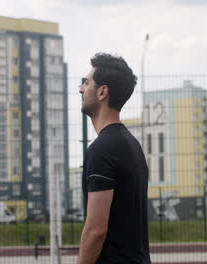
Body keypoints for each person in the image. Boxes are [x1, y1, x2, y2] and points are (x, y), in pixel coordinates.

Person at [78, 53, 151, 264]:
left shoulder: (102, 150)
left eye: (87, 82)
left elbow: (95, 231)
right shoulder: (131, 145)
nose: (81, 89)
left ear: (102, 92)